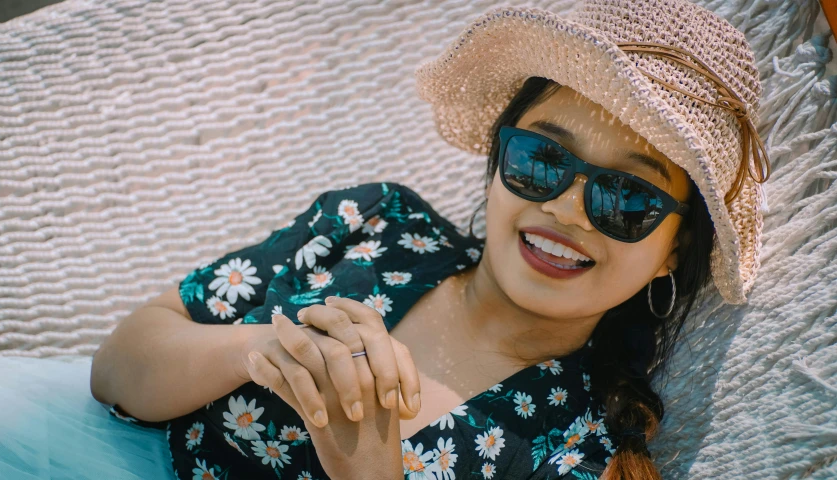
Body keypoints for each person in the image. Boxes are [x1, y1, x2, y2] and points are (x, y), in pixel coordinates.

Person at [89, 0, 773, 479]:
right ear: (496, 162)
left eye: (626, 199)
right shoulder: (376, 222)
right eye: (540, 160)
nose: (565, 207)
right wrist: (261, 349)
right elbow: (115, 371)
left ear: (673, 253)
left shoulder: (578, 452)